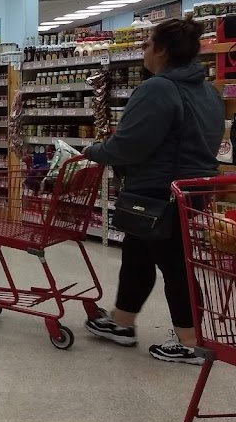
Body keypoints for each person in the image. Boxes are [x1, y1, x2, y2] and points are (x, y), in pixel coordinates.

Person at [83, 18, 224, 365]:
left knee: (175, 265)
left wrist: (94, 152)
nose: (143, 50)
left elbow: (129, 145)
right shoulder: (208, 91)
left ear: (162, 51)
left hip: (159, 193)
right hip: (189, 190)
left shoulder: (158, 89)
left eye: (147, 44)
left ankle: (191, 342)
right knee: (138, 254)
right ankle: (121, 322)